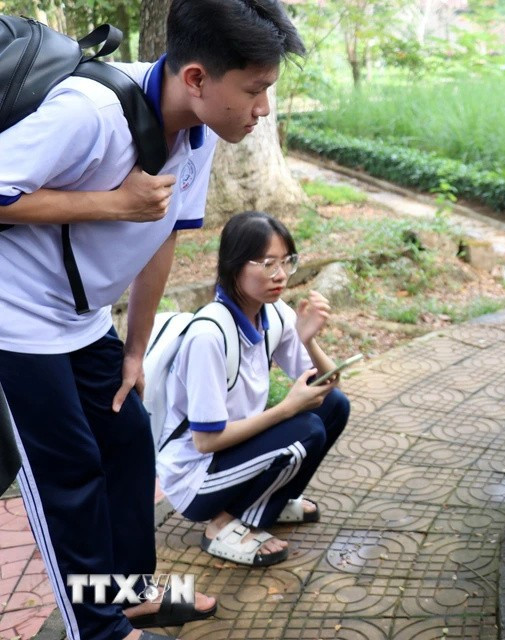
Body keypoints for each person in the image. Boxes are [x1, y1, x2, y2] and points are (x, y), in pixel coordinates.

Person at [0, 2, 305, 639]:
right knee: (71, 476)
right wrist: (112, 203)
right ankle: (100, 630)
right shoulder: (90, 111)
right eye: (254, 92)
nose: (262, 110)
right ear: (197, 78)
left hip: (81, 322)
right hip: (15, 322)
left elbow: (162, 239)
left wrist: (135, 350)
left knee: (127, 443)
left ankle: (130, 592)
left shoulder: (197, 133)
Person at [156, 211, 350, 567]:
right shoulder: (209, 336)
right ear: (234, 267)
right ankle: (224, 524)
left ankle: (271, 501)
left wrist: (308, 341)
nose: (280, 276)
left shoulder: (271, 313)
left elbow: (328, 384)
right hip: (196, 478)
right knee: (303, 432)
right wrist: (286, 410)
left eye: (286, 262)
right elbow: (206, 441)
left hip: (233, 454)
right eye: (267, 264)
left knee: (334, 407)